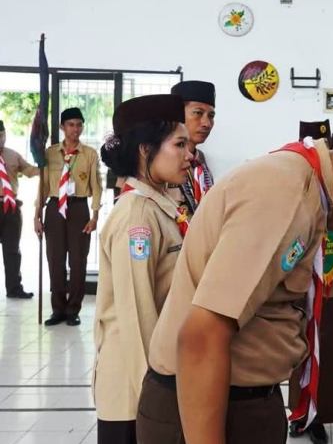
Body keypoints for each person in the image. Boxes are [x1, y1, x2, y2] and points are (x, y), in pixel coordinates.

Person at [137, 119, 333, 444]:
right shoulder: (286, 192)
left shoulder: (302, 187)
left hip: (232, 400)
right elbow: (202, 335)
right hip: (208, 409)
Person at [93, 94, 192, 444]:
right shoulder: (138, 217)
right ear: (144, 150)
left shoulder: (159, 204)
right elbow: (137, 316)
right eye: (179, 144)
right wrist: (155, 401)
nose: (189, 155)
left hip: (154, 381)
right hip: (134, 397)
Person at [289, 128, 333, 444]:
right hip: (301, 282)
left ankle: (326, 412)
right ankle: (300, 411)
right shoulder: (294, 182)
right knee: (300, 348)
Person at [35, 108, 102, 327]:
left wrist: (94, 216)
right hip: (54, 207)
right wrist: (37, 215)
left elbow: (97, 186)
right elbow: (43, 186)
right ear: (62, 127)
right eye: (71, 124)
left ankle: (73, 309)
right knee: (55, 260)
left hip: (78, 209)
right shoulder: (50, 153)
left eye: (79, 124)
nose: (76, 129)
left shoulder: (90, 154)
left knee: (78, 260)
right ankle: (58, 309)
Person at [0, 120, 39, 298]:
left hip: (11, 208)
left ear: (5, 135)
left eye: (1, 135)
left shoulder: (13, 156)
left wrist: (47, 166)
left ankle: (14, 288)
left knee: (12, 250)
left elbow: (31, 170)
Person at [168, 80, 216, 219]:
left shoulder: (200, 160)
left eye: (211, 116)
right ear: (178, 115)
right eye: (197, 113)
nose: (207, 123)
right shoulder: (160, 161)